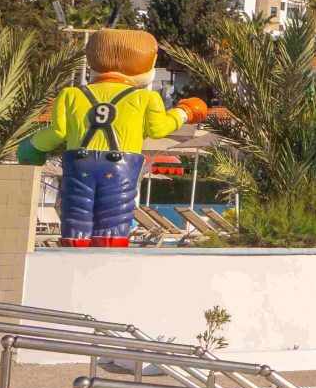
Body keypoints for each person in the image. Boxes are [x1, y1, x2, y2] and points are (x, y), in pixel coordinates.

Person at [21, 28, 208, 247]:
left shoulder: (70, 94)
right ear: (150, 64)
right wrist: (184, 112)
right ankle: (108, 256)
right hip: (119, 167)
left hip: (79, 164)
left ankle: (73, 250)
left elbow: (57, 132)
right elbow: (158, 129)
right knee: (113, 222)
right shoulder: (146, 98)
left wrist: (32, 147)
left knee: (76, 216)